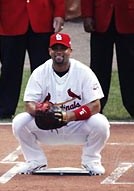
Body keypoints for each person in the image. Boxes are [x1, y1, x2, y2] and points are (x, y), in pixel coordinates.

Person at [12, 33, 110, 175]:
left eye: (63, 48)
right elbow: (29, 104)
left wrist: (69, 115)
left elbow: (95, 105)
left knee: (101, 122)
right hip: (48, 129)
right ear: (49, 51)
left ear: (70, 50)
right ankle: (35, 160)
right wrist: (41, 111)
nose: (59, 52)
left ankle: (91, 160)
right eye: (55, 48)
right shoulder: (40, 72)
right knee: (20, 121)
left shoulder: (83, 72)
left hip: (77, 126)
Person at [0, 0, 65, 121]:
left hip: (42, 20)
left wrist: (59, 13)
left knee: (44, 70)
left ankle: (49, 106)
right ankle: (4, 109)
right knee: (9, 68)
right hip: (11, 20)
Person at [81, 0, 134, 118]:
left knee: (131, 66)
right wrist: (87, 14)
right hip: (101, 16)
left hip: (129, 16)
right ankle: (96, 105)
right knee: (98, 66)